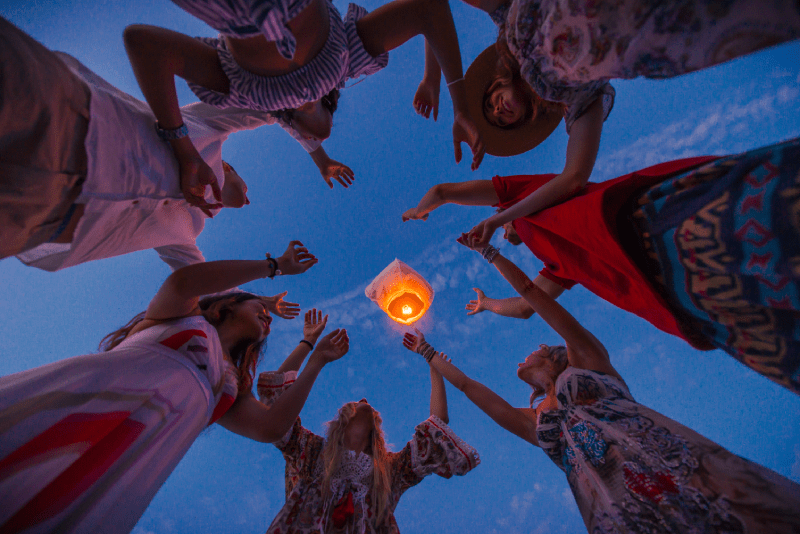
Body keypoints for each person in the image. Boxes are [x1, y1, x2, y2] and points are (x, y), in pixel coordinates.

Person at [402, 237, 800, 533]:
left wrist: (490, 254)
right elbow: (472, 389)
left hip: (672, 463)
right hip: (617, 508)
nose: (531, 351)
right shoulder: (537, 420)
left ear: (554, 356)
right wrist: (427, 352)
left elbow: (531, 296)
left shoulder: (590, 361)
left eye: (539, 347)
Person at [402, 137, 800, 395]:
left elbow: (444, 191)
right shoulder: (557, 260)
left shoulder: (516, 200)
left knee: (768, 217)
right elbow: (527, 305)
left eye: (503, 225)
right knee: (771, 314)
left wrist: (423, 210)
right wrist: (488, 302)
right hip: (662, 287)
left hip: (645, 225)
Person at [0, 242, 351, 534]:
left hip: (135, 457)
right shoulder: (180, 317)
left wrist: (316, 358)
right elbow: (183, 282)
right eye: (259, 308)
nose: (268, 316)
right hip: (79, 402)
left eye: (268, 315)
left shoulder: (229, 383)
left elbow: (271, 426)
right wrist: (273, 265)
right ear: (225, 305)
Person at [411, 0, 800, 245]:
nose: (497, 111)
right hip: (667, 31)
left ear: (496, 82)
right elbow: (573, 178)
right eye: (501, 119)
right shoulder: (579, 99)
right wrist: (500, 218)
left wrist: (433, 80)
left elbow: (429, 8)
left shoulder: (507, 21)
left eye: (492, 104)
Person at [0, 17, 315, 269]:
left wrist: (273, 268)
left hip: (33, 220)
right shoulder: (209, 129)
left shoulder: (187, 231)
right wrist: (308, 126)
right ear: (228, 167)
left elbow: (202, 291)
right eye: (245, 187)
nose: (248, 199)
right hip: (63, 119)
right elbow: (268, 107)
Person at [123, 0, 486, 211]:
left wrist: (185, 152)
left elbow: (145, 46)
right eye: (323, 123)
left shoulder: (247, 96)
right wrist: (451, 98)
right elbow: (428, 9)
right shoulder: (348, 59)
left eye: (308, 131)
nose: (317, 131)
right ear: (330, 102)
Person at [257, 326, 480, 533]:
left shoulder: (390, 471)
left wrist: (434, 367)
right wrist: (308, 343)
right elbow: (275, 405)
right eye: (356, 402)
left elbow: (437, 427)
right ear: (340, 420)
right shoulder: (311, 451)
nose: (364, 399)